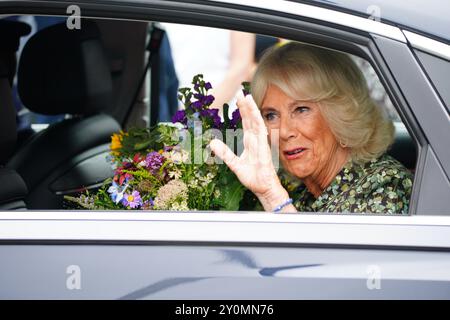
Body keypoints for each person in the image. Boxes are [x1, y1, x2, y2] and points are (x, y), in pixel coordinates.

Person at [210, 42, 413, 214]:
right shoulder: (303, 195)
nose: (283, 131)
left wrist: (272, 196)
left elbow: (337, 262)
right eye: (271, 115)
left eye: (301, 109)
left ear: (341, 115)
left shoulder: (386, 186)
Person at [163, 23, 255, 118]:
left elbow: (241, 68)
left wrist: (197, 115)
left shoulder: (237, 11)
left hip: (223, 117)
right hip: (171, 115)